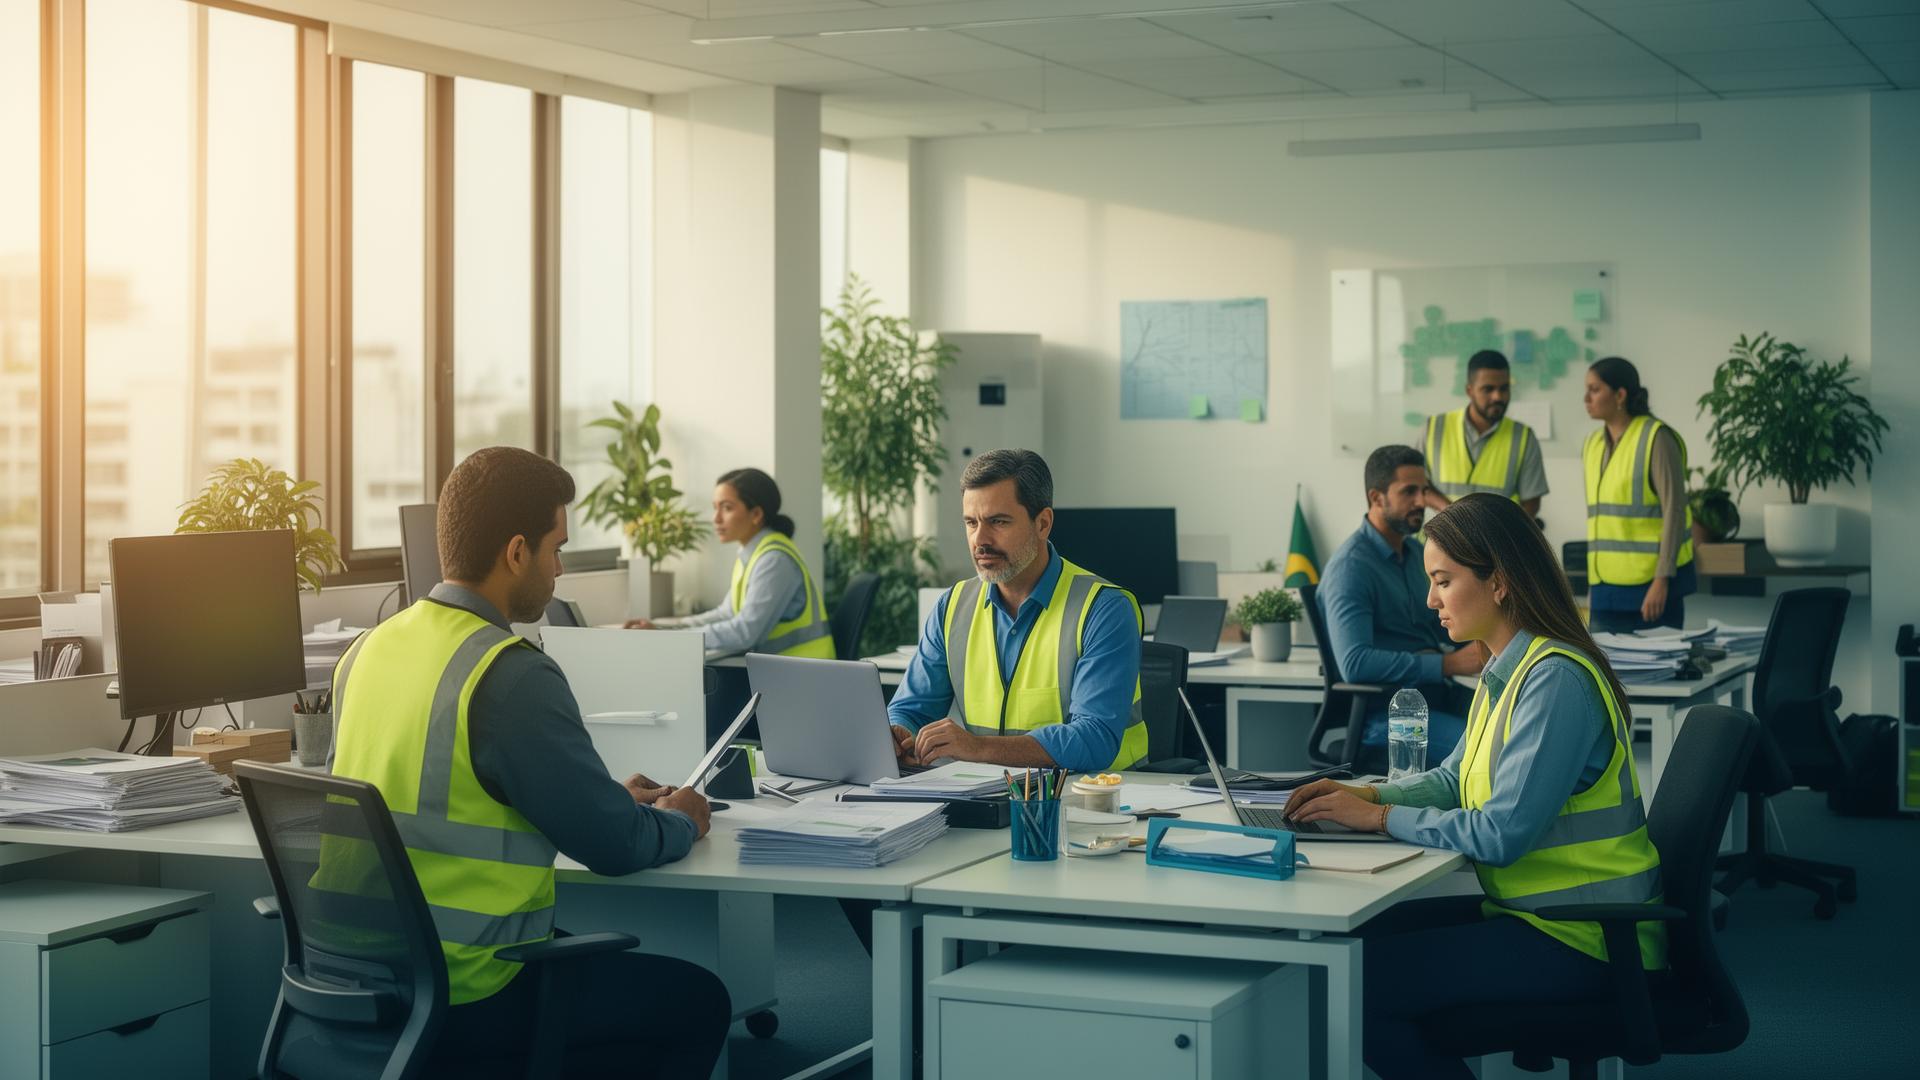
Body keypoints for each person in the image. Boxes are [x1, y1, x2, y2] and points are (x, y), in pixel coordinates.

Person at [329, 446, 729, 1077]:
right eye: (556, 547)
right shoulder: (508, 674)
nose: (560, 568)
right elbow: (617, 848)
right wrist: (682, 818)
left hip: (356, 979)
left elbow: (438, 791)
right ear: (516, 552)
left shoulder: (366, 651)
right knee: (701, 1001)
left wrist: (603, 798)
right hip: (469, 985)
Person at [1285, 493, 1666, 1080]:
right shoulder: (1504, 669)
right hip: (1539, 915)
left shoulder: (1554, 680)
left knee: (1351, 984)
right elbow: (1453, 778)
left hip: (1584, 936)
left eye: (1443, 580)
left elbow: (1501, 834)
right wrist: (1369, 797)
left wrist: (1380, 820)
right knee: (1346, 948)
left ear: (1500, 582)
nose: (1430, 599)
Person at [887, 448, 1146, 773]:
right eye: (971, 522)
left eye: (998, 522)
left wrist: (976, 747)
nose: (980, 539)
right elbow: (911, 709)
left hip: (1096, 806)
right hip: (987, 796)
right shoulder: (952, 606)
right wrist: (899, 734)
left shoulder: (1104, 609)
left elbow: (1093, 740)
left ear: (1043, 523)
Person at [1317, 445, 1483, 759]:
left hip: (1434, 699)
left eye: (1424, 490)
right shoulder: (1351, 567)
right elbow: (1355, 663)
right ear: (1376, 498)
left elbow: (1435, 625)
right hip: (1386, 718)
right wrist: (1449, 664)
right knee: (1486, 750)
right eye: (1409, 492)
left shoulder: (1412, 553)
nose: (1422, 501)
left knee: (1517, 727)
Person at [627, 467, 833, 659]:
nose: (716, 518)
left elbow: (745, 632)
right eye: (715, 508)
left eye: (726, 508)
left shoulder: (774, 560)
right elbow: (726, 614)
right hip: (779, 673)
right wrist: (665, 629)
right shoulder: (751, 554)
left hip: (802, 675)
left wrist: (670, 637)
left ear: (756, 514)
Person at [1582, 356, 1695, 632]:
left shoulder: (1656, 438)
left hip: (1651, 588)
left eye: (1595, 389)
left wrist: (1662, 579)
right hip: (1604, 588)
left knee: (1655, 674)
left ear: (1620, 394)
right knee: (1603, 674)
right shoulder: (1593, 444)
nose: (1586, 398)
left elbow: (1675, 511)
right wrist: (1592, 590)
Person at [1422, 349, 1548, 517]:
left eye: (1504, 388)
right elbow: (1418, 486)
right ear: (1469, 390)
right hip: (1437, 540)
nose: (1498, 396)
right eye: (1488, 389)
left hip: (1495, 542)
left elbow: (1531, 503)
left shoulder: (1523, 437)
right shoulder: (1434, 428)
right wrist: (1453, 519)